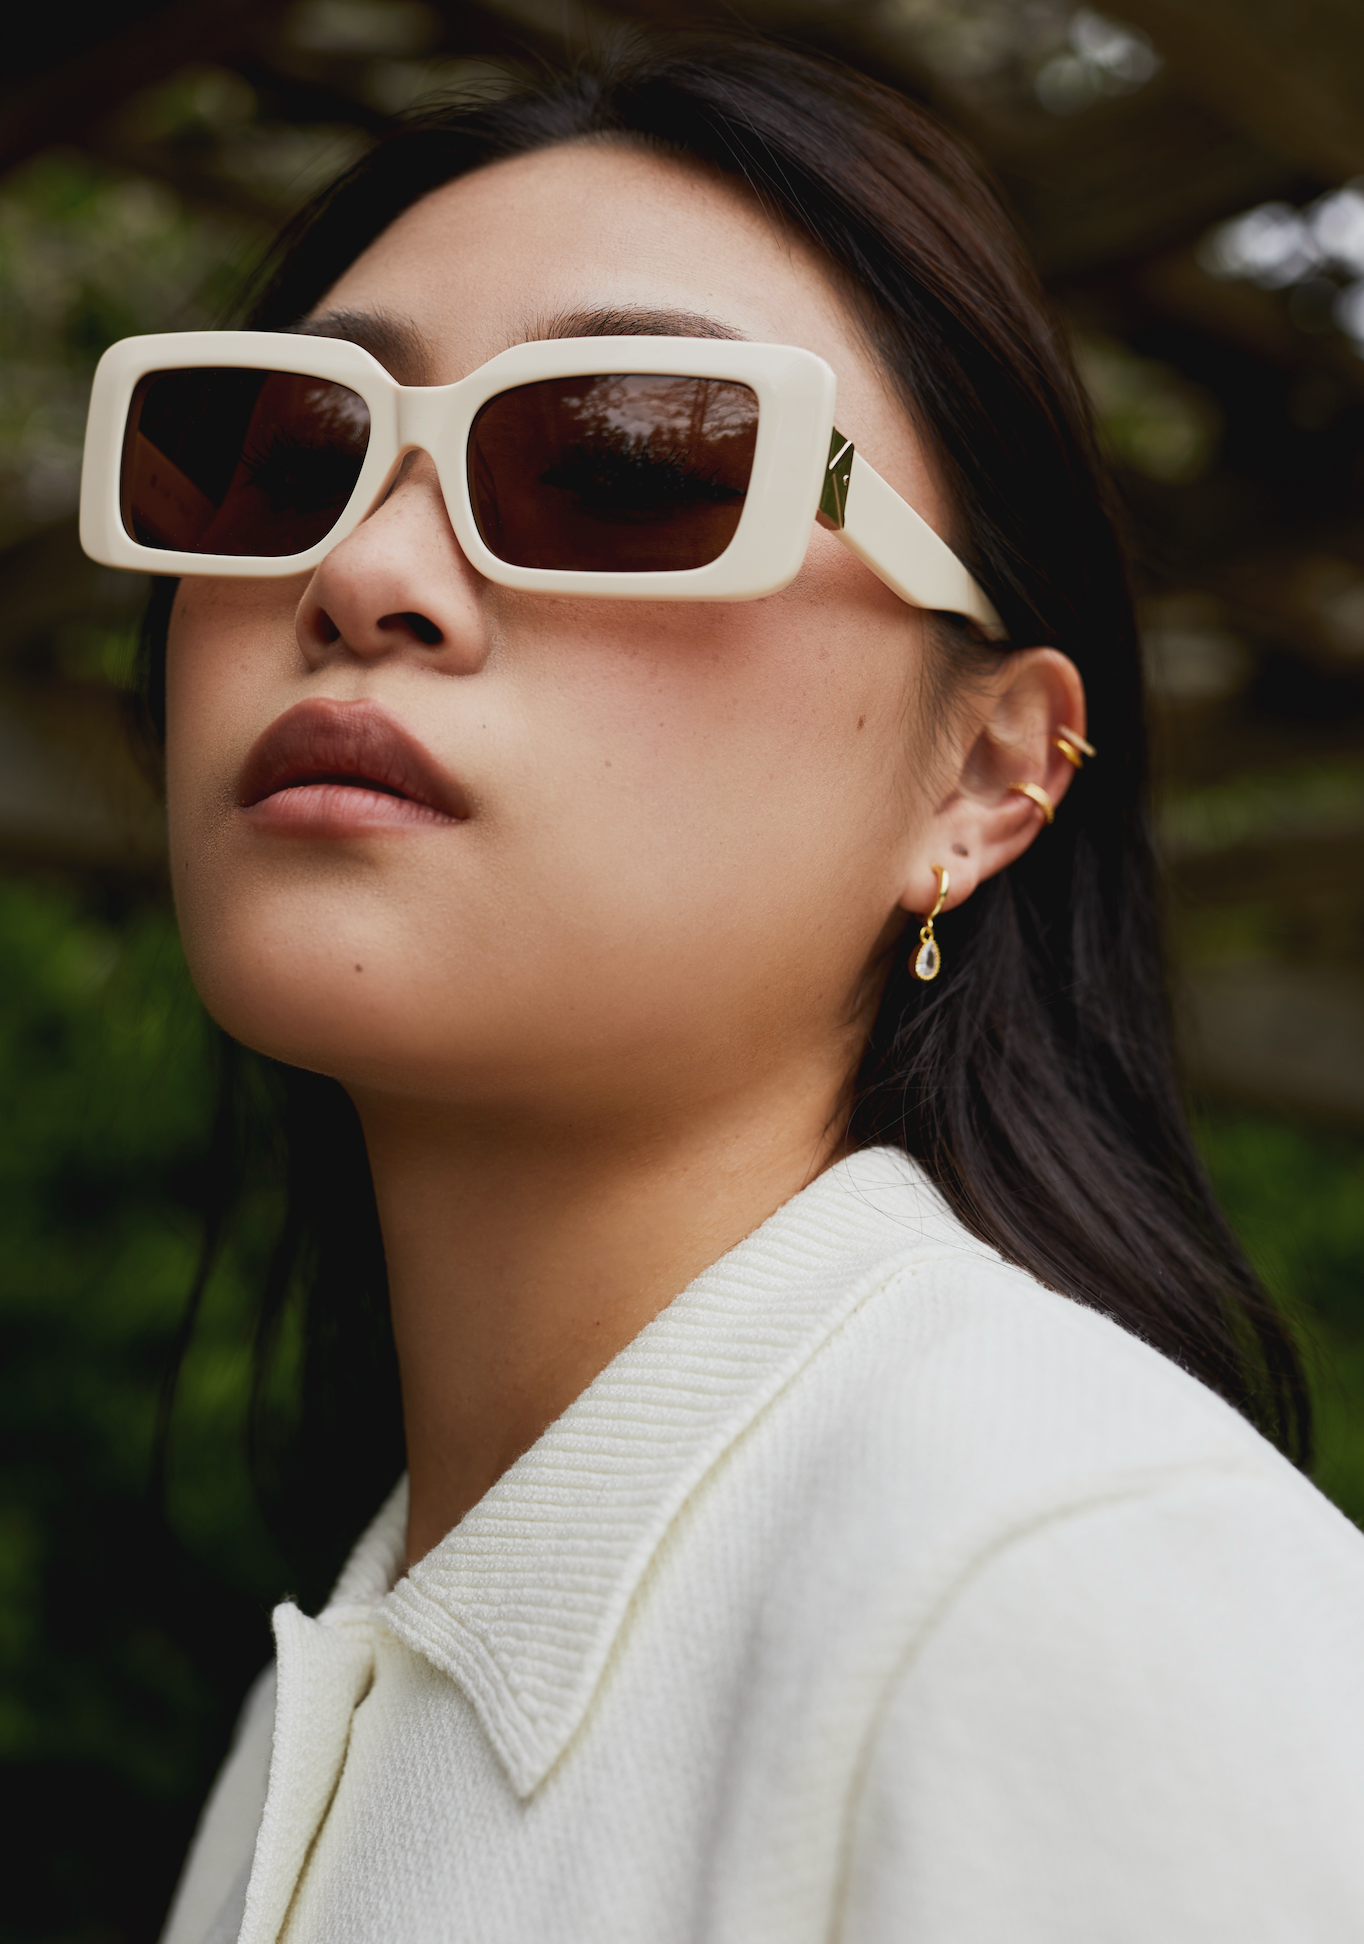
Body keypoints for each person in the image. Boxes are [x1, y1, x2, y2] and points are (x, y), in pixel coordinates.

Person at [79, 35, 1364, 1944]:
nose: (363, 574)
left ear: (986, 778)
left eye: (622, 460)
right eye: (283, 452)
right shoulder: (320, 1712)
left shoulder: (1077, 1586)